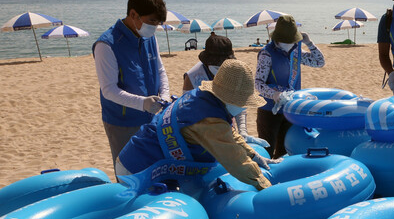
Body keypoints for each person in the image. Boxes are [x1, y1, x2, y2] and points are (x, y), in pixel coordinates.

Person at [116, 59, 276, 191]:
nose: (243, 107)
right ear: (229, 99)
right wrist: (265, 185)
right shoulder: (209, 119)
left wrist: (254, 155)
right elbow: (235, 160)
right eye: (242, 102)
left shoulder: (202, 98)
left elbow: (230, 133)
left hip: (135, 155)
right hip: (139, 169)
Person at [93, 0, 170, 176]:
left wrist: (165, 96)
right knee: (128, 172)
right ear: (133, 14)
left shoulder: (149, 37)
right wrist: (142, 103)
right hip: (122, 122)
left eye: (158, 23)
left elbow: (160, 70)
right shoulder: (107, 44)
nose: (154, 27)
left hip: (152, 117)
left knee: (154, 169)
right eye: (151, 21)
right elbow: (109, 90)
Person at [254, 14, 325, 158]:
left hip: (291, 109)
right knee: (267, 150)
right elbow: (258, 83)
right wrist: (274, 94)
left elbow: (319, 62)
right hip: (269, 110)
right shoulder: (267, 54)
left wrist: (310, 43)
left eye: (292, 40)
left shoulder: (296, 51)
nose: (290, 43)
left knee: (285, 151)